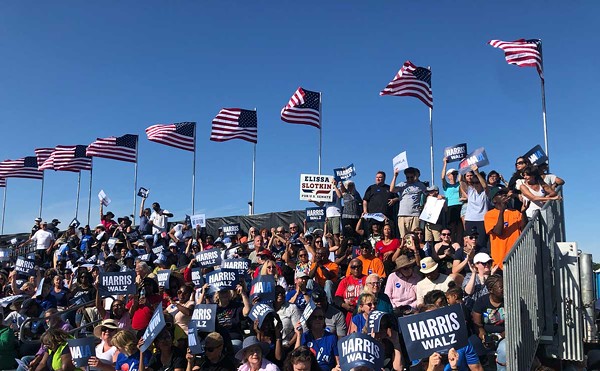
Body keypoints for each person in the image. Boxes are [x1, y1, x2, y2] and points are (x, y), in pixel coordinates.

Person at [484, 187, 526, 269]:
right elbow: (498, 232)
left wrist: (523, 212)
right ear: (494, 200)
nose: (504, 195)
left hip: (517, 257)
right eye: (500, 194)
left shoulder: (515, 212)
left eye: (505, 193)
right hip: (500, 261)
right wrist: (502, 211)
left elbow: (524, 229)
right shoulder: (489, 215)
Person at [472, 275, 505, 367]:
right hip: (486, 335)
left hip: (505, 335)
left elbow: (514, 325)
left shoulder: (509, 300)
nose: (505, 289)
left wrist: (498, 337)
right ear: (491, 290)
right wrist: (484, 338)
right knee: (471, 346)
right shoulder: (481, 302)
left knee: (504, 350)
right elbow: (478, 325)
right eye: (501, 287)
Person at [389, 167, 427, 238]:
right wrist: (395, 176)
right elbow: (392, 189)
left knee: (414, 237)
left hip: (414, 215)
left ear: (415, 175)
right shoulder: (402, 184)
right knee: (404, 237)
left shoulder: (420, 185)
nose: (409, 179)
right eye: (407, 177)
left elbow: (428, 195)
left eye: (411, 177)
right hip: (402, 215)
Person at [460, 165, 488, 249]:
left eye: (477, 182)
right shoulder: (470, 191)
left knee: (481, 242)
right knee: (469, 242)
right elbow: (461, 181)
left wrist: (477, 172)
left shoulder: (485, 193)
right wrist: (463, 168)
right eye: (473, 183)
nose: (475, 184)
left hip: (482, 220)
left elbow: (485, 186)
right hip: (470, 219)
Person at [334, 258, 366, 328]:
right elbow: (337, 297)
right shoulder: (345, 281)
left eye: (358, 266)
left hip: (363, 310)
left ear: (362, 267)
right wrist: (345, 305)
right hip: (348, 310)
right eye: (353, 267)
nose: (356, 269)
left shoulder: (366, 279)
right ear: (350, 269)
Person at [441, 159, 463, 241]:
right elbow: (442, 177)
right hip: (450, 207)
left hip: (460, 205)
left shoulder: (459, 184)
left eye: (455, 173)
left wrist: (462, 161)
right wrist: (445, 163)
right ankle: (452, 243)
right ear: (448, 176)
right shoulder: (446, 186)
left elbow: (461, 175)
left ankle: (459, 244)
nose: (454, 175)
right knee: (452, 227)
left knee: (460, 227)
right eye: (452, 174)